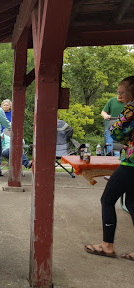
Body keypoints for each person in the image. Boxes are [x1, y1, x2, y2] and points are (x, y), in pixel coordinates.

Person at [84, 76, 134, 262]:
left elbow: (116, 132)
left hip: (131, 162)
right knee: (132, 204)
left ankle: (107, 246)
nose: (119, 96)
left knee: (107, 199)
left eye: (122, 92)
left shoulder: (131, 109)